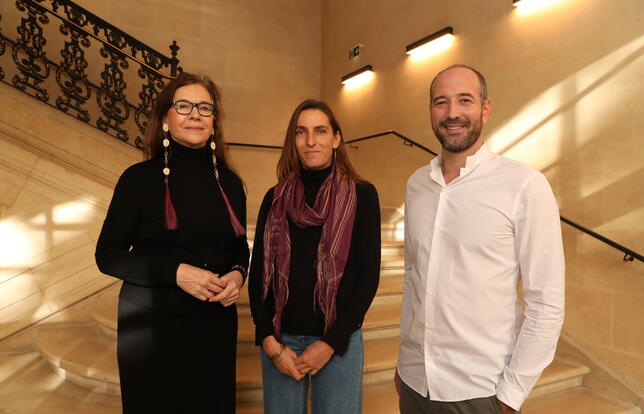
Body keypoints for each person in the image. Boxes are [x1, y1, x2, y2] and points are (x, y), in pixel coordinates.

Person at [395, 65, 565, 414]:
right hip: (414, 382)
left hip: (479, 390)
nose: (452, 113)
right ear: (431, 111)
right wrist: (403, 359)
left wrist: (511, 395)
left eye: (465, 100)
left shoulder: (524, 186)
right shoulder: (417, 185)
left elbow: (546, 302)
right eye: (441, 102)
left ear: (485, 108)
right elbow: (414, 277)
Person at [95, 72, 249, 413]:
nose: (195, 114)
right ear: (165, 119)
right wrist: (176, 273)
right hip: (151, 327)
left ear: (214, 123)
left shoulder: (230, 183)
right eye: (183, 106)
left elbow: (239, 247)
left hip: (214, 325)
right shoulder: (137, 179)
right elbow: (108, 255)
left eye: (205, 107)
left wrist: (237, 275)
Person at [248, 99, 381, 414]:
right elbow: (257, 277)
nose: (311, 141)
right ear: (293, 141)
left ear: (336, 139)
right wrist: (267, 339)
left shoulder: (362, 195)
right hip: (281, 340)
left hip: (337, 340)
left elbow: (368, 277)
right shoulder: (275, 198)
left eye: (320, 131)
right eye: (301, 132)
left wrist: (331, 342)